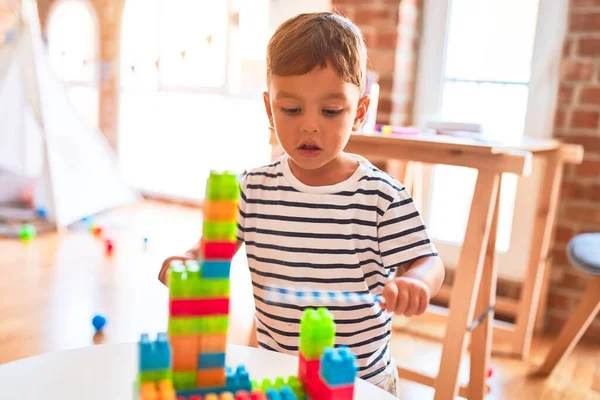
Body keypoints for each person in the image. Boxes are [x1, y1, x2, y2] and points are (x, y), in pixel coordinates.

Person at [159, 12, 445, 396]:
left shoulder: (381, 196)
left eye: (331, 111)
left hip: (360, 381)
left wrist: (416, 281)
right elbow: (214, 251)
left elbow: (428, 260)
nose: (310, 126)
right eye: (292, 109)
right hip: (280, 376)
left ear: (359, 112)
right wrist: (190, 262)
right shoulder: (254, 188)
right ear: (269, 108)